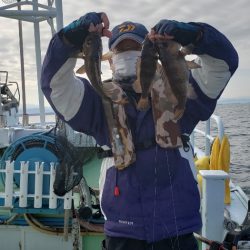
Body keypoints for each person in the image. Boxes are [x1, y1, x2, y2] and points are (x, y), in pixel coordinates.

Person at [41, 12, 238, 250]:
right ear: (110, 60)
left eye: (136, 48)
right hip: (123, 233)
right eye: (121, 51)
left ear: (154, 57)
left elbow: (223, 64)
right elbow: (55, 84)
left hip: (179, 229)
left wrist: (195, 35)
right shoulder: (96, 101)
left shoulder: (179, 89)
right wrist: (71, 37)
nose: (128, 56)